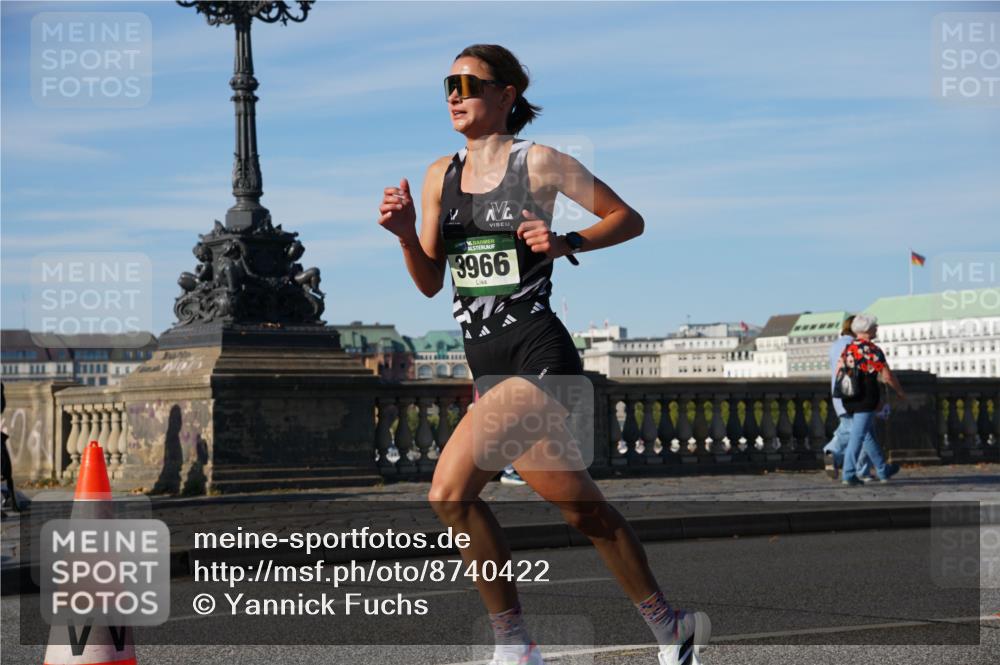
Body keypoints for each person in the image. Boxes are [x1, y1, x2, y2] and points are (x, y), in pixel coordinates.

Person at [377, 44, 710, 665]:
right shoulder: (436, 176)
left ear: (506, 95)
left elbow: (627, 218)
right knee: (584, 511)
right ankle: (672, 627)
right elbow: (428, 281)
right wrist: (403, 237)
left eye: (468, 83)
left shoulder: (541, 164)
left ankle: (514, 644)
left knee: (447, 492)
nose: (454, 93)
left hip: (538, 351)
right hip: (486, 362)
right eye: (447, 83)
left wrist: (564, 242)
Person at [836, 314, 906, 486]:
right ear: (867, 330)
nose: (877, 328)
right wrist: (900, 392)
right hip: (866, 397)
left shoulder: (848, 348)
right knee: (858, 437)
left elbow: (839, 370)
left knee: (868, 435)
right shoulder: (872, 350)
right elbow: (887, 375)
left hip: (850, 396)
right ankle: (849, 473)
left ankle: (883, 470)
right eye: (875, 326)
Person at [822, 315, 873, 482]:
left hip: (839, 395)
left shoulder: (835, 345)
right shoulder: (854, 346)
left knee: (847, 429)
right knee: (864, 433)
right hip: (855, 396)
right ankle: (859, 469)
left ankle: (832, 453)